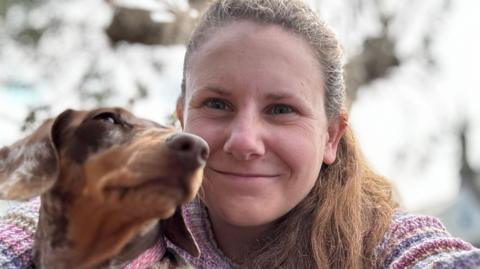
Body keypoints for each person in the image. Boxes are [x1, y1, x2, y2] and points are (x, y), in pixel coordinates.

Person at [0, 0, 479, 268]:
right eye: (217, 104)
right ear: (181, 118)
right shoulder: (130, 213)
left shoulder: (379, 242)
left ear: (332, 137)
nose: (244, 141)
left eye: (281, 109)